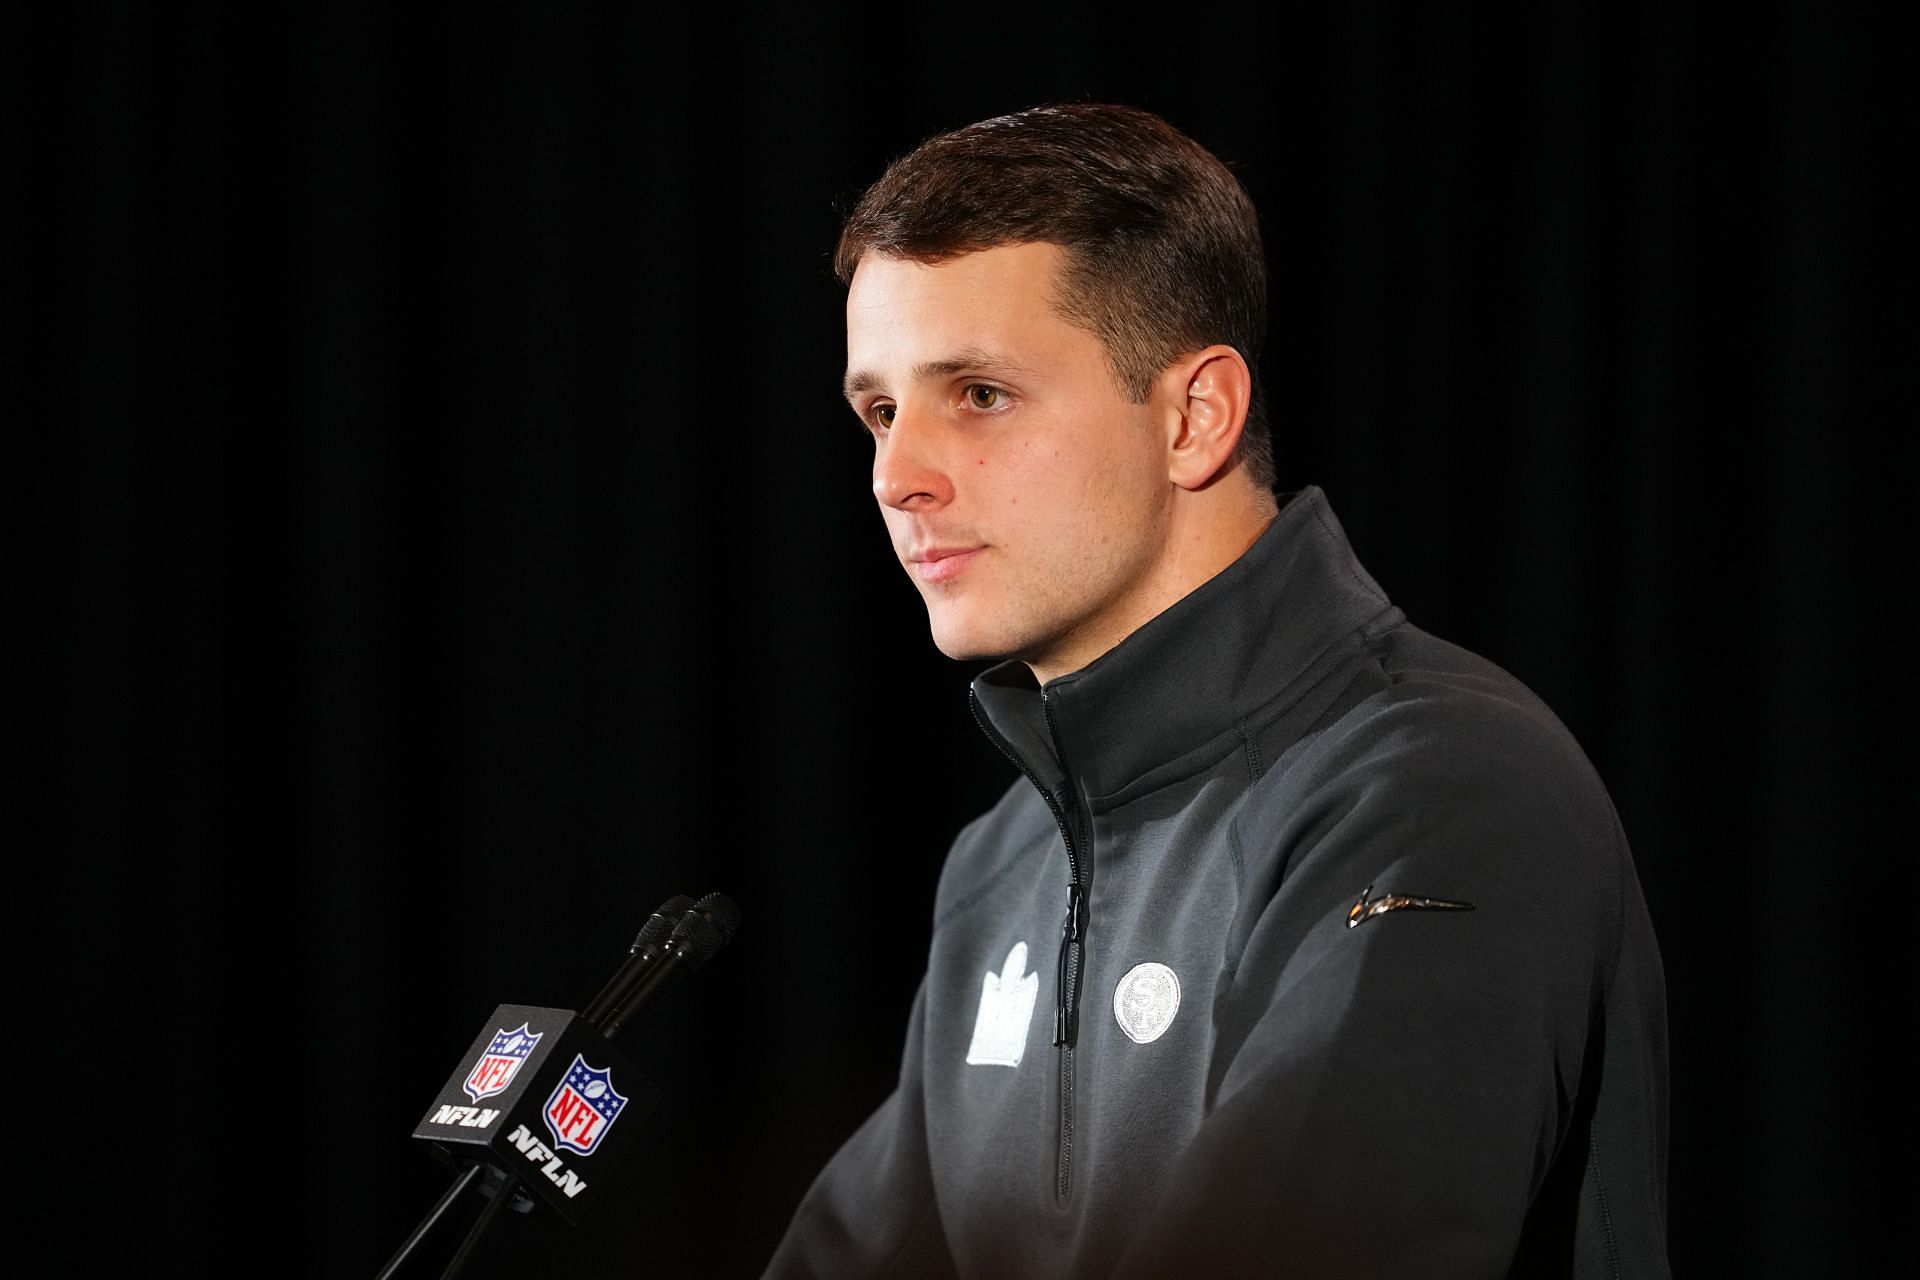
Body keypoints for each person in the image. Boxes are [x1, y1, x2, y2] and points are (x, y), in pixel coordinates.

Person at [767, 103, 1668, 1278]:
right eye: (880, 410)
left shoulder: (1444, 786)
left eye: (978, 393)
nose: (898, 475)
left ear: (1195, 417)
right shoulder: (1002, 864)